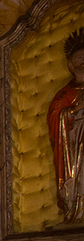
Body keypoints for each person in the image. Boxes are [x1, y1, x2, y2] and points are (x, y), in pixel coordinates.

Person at [48, 27, 84, 226]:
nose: (83, 60)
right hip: (74, 147)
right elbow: (54, 117)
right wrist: (73, 110)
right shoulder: (64, 94)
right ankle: (77, 210)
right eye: (79, 57)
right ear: (70, 64)